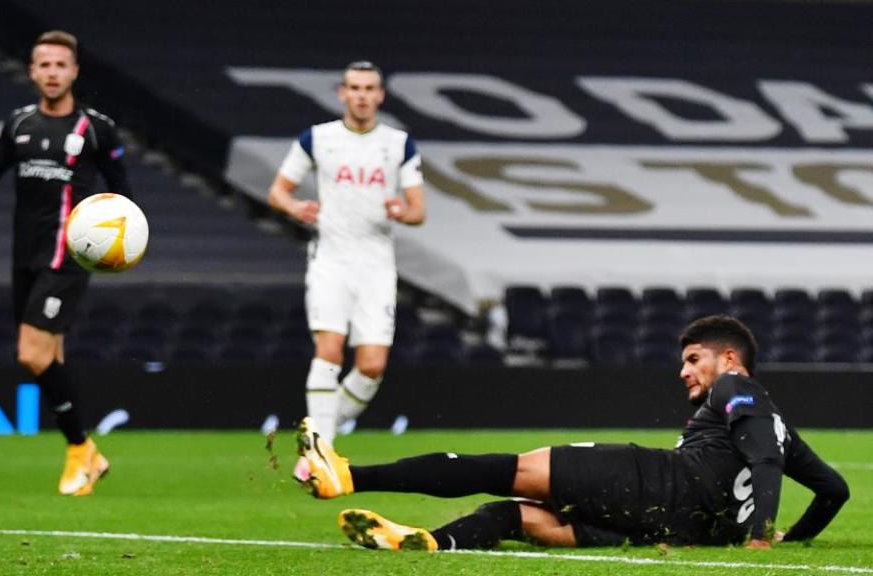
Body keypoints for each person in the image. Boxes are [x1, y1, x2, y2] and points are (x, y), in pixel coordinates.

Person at [295, 315, 850, 551]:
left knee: (500, 468)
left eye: (692, 359)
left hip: (650, 483)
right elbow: (835, 491)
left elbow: (765, 466)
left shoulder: (733, 387)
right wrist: (792, 541)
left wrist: (761, 537)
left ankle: (347, 474)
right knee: (515, 515)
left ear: (729, 358)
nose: (684, 371)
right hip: (665, 530)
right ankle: (433, 543)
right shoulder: (784, 430)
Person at [0, 30, 131, 496]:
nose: (52, 73)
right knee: (52, 356)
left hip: (68, 256)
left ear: (75, 71)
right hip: (25, 255)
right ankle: (87, 460)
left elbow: (122, 193)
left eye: (61, 65)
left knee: (31, 353)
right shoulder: (19, 123)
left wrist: (117, 241)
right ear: (32, 71)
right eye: (44, 65)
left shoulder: (96, 129)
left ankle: (81, 449)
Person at [268, 61, 425, 445]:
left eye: (370, 89)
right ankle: (321, 451)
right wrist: (295, 208)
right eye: (355, 88)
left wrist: (402, 212)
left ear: (380, 95)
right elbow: (277, 192)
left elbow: (419, 211)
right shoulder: (317, 139)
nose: (362, 96)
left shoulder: (398, 143)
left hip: (376, 263)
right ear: (342, 93)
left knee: (372, 366)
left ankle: (319, 434)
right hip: (331, 259)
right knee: (330, 350)